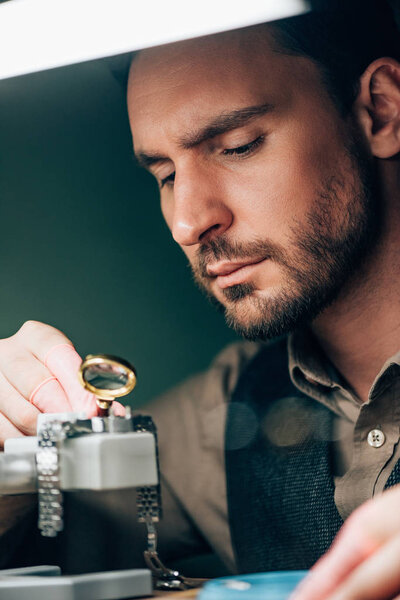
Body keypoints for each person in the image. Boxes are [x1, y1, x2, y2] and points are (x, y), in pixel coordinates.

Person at [1, 1, 400, 597]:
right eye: (164, 175)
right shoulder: (229, 416)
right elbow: (47, 551)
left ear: (380, 110)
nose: (188, 222)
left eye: (237, 145)